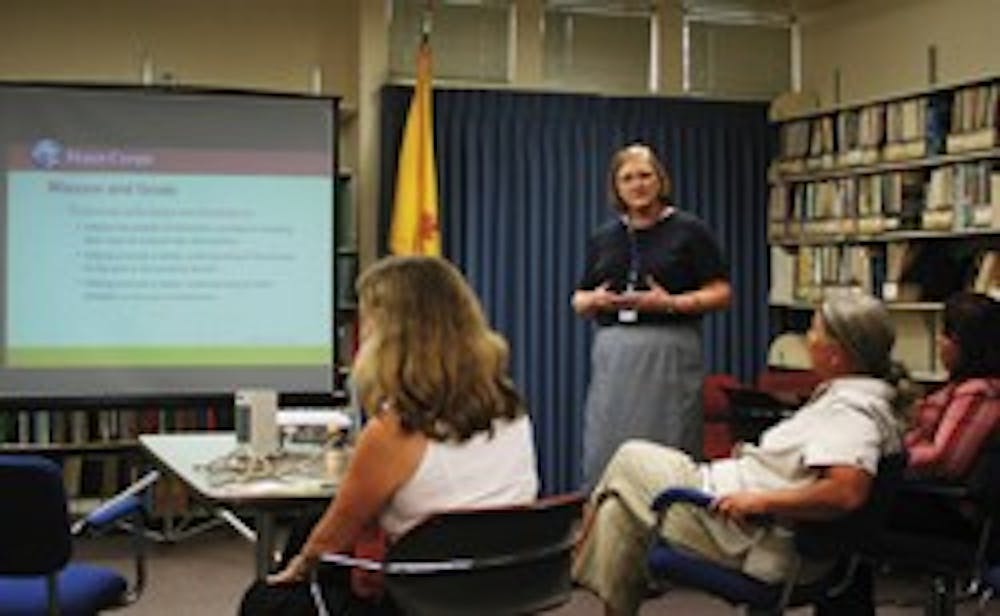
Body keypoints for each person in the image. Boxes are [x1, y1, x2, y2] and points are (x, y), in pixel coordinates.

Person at [572, 292, 907, 616]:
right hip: (728, 501)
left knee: (629, 460)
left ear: (837, 354)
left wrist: (761, 503)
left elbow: (846, 493)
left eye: (815, 330)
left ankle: (567, 567)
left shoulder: (851, 414)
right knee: (619, 510)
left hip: (741, 529)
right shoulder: (852, 401)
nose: (807, 337)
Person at [240, 256, 539, 615]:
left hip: (425, 601)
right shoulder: (509, 404)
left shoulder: (395, 430)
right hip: (508, 589)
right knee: (308, 525)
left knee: (265, 602)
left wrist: (293, 573)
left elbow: (328, 543)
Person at [572, 143, 731, 488]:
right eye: (627, 178)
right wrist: (592, 301)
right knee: (606, 444)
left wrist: (672, 303)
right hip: (614, 356)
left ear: (660, 180)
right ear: (616, 187)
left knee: (668, 446)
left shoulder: (690, 230)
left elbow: (721, 292)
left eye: (645, 175)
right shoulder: (603, 236)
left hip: (669, 350)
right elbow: (579, 297)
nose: (637, 185)